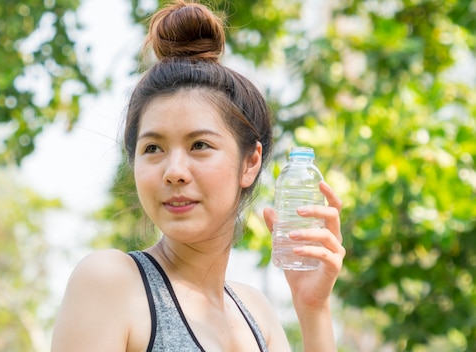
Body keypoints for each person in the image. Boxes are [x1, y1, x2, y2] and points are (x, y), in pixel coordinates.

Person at [51, 0, 346, 350]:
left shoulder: (256, 315)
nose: (174, 172)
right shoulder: (111, 282)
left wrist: (313, 310)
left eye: (200, 145)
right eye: (153, 149)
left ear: (250, 162)